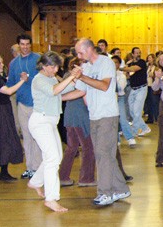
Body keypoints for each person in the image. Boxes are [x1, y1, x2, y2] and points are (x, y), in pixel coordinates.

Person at [68, 38, 131, 206]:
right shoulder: (86, 68)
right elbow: (80, 91)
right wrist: (57, 97)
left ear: (89, 49)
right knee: (106, 155)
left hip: (108, 116)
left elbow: (104, 86)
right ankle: (121, 188)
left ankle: (105, 192)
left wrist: (83, 76)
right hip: (93, 116)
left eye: (80, 53)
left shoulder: (106, 63)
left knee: (103, 154)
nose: (79, 56)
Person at [26, 51, 79, 212]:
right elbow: (53, 91)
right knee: (53, 158)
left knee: (56, 157)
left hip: (49, 122)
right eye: (53, 67)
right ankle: (51, 198)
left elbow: (61, 90)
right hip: (40, 121)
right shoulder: (38, 79)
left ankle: (35, 182)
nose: (56, 70)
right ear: (44, 65)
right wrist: (70, 77)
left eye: (57, 67)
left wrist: (75, 77)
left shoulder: (51, 78)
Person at [0, 54, 27, 182]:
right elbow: (8, 91)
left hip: (0, 111)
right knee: (4, 139)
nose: (2, 65)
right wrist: (22, 81)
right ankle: (2, 171)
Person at [8, 33, 42, 179]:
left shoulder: (38, 59)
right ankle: (30, 167)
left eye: (28, 44)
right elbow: (11, 85)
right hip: (22, 104)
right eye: (22, 44)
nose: (25, 47)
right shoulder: (14, 63)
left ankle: (38, 167)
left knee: (37, 137)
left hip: (37, 104)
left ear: (31, 45)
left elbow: (45, 78)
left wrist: (29, 78)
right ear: (18, 45)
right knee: (26, 137)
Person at [58, 57, 96, 187]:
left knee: (72, 147)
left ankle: (63, 176)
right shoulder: (81, 78)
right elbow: (84, 96)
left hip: (69, 116)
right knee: (88, 147)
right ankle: (86, 178)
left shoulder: (67, 78)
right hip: (81, 116)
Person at [122, 47, 150, 136]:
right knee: (132, 111)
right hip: (133, 89)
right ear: (133, 54)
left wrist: (120, 68)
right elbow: (128, 75)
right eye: (136, 53)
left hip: (142, 89)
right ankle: (145, 128)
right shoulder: (130, 63)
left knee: (137, 111)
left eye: (139, 52)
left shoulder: (141, 62)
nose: (138, 54)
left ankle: (133, 132)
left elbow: (133, 69)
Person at [113, 56, 137, 148]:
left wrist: (113, 78)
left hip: (119, 97)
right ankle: (116, 139)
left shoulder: (121, 75)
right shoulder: (107, 74)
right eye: (112, 62)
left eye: (116, 62)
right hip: (110, 99)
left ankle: (130, 138)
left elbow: (120, 88)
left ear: (119, 64)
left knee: (123, 118)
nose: (114, 64)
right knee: (113, 120)